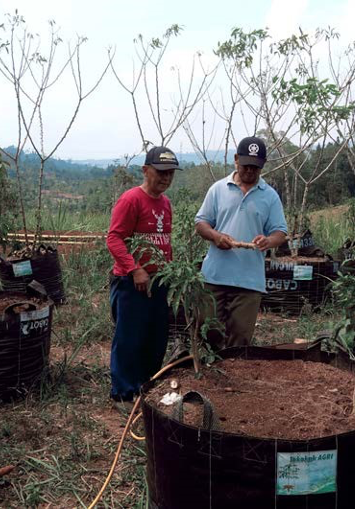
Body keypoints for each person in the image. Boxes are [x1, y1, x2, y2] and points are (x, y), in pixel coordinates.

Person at [194, 136, 288, 349]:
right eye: (246, 166)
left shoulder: (270, 196)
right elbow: (201, 223)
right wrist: (216, 236)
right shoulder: (218, 189)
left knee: (239, 341)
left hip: (249, 282)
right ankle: (208, 379)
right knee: (207, 334)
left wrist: (268, 241)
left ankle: (233, 381)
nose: (250, 171)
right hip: (214, 277)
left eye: (255, 168)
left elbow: (280, 232)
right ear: (236, 160)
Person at [105, 146, 180, 406]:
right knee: (130, 338)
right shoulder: (131, 199)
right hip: (131, 283)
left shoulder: (166, 203)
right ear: (145, 170)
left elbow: (163, 243)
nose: (166, 178)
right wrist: (135, 269)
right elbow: (114, 239)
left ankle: (145, 389)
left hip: (158, 283)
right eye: (161, 172)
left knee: (156, 337)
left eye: (170, 173)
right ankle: (123, 394)